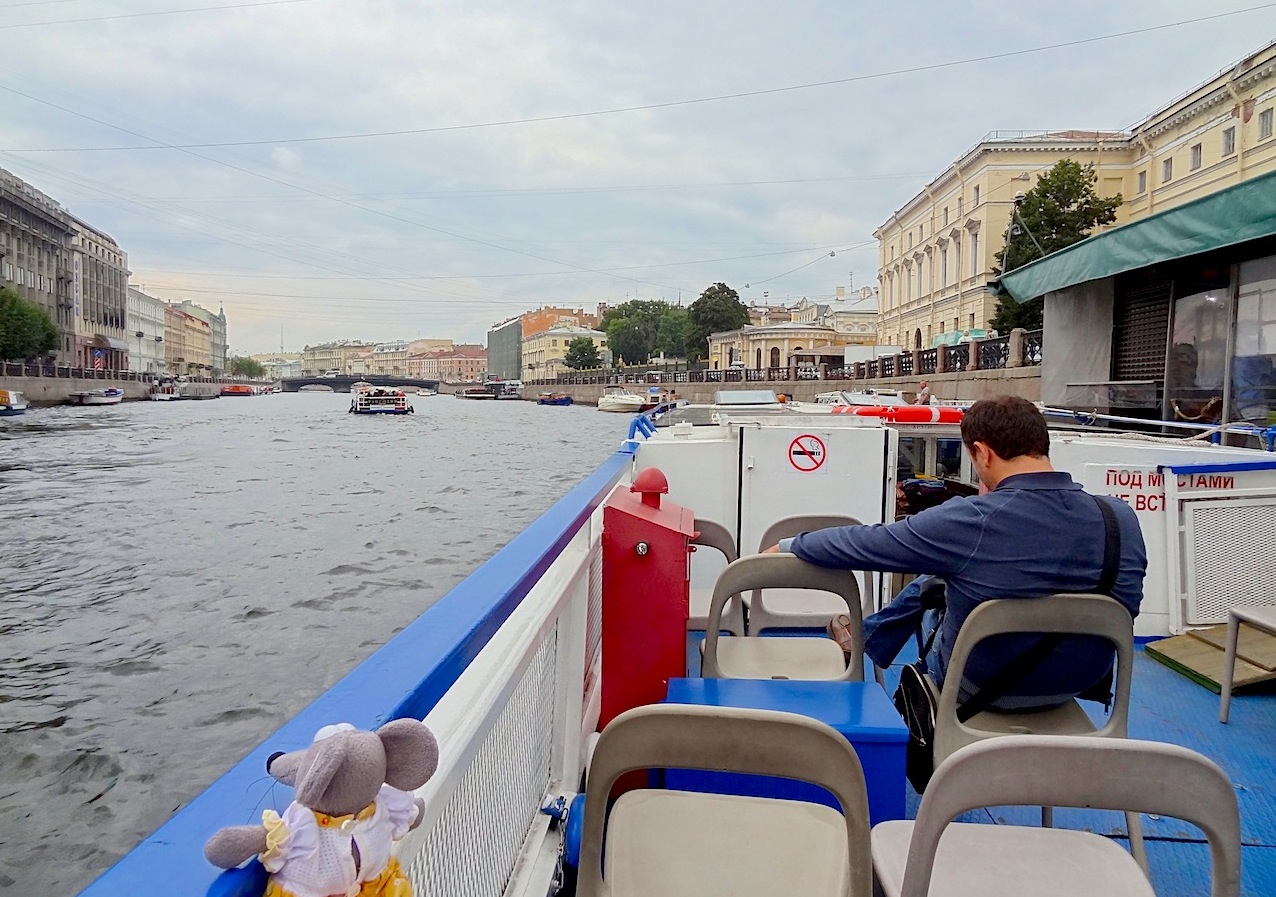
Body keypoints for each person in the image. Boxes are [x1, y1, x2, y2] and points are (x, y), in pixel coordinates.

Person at [765, 395, 1147, 710]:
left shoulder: (972, 521)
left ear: (982, 453)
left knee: (941, 577)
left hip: (978, 684)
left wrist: (790, 545)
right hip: (1077, 683)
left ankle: (865, 637)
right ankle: (867, 635)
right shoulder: (1120, 518)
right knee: (952, 571)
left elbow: (868, 542)